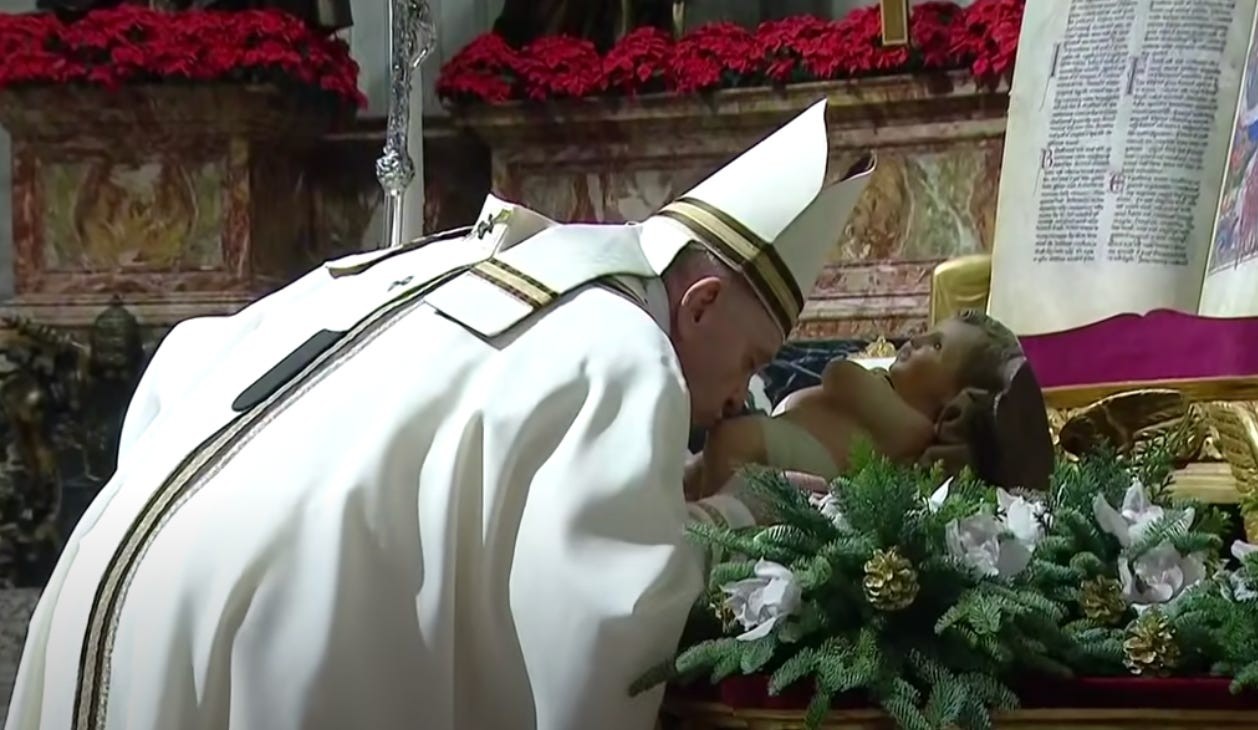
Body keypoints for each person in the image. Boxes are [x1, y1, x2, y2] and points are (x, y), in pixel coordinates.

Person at [4, 100, 872, 730]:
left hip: (112, 582)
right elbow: (604, 619)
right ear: (701, 301)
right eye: (753, 364)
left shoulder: (444, 262)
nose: (738, 398)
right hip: (272, 641)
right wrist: (739, 512)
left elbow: (194, 360)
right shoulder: (621, 349)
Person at [687, 310, 1055, 500]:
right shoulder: (888, 392)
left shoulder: (912, 426)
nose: (919, 338)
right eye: (930, 330)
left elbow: (839, 373)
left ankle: (713, 551)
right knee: (696, 469)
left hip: (806, 463)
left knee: (730, 440)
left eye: (938, 346)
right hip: (785, 435)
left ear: (951, 395)